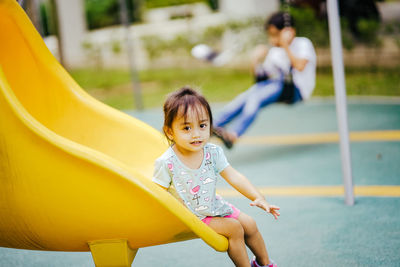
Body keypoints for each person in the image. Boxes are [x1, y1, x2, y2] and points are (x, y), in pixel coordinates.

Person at [152, 87, 280, 267]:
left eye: (202, 125)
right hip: (191, 215)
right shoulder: (167, 162)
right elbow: (158, 194)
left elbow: (234, 176)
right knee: (235, 228)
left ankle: (264, 264)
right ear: (170, 132)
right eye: (187, 127)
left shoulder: (212, 152)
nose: (196, 133)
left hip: (213, 206)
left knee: (250, 224)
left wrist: (259, 197)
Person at [213, 11, 317, 149]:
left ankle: (233, 134)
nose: (271, 40)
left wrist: (285, 45)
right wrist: (255, 60)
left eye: (275, 35)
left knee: (255, 99)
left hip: (295, 90)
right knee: (245, 97)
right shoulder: (275, 52)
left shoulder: (303, 44)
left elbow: (300, 66)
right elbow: (261, 80)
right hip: (276, 85)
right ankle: (213, 125)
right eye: (270, 35)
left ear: (289, 31)